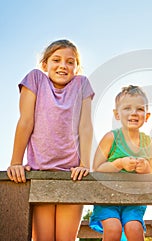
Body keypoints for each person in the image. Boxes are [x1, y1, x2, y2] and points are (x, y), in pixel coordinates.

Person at [6, 39, 94, 240]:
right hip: (40, 173)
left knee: (65, 238)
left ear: (76, 67)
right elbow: (26, 121)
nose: (63, 65)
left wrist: (84, 164)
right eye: (56, 60)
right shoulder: (35, 79)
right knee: (43, 238)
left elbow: (85, 126)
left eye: (70, 62)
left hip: (72, 175)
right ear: (45, 65)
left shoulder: (81, 84)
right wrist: (16, 162)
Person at [89, 85, 152, 241]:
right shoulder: (111, 138)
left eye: (139, 109)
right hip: (107, 198)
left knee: (134, 228)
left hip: (134, 200)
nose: (133, 113)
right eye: (127, 108)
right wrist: (119, 163)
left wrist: (145, 167)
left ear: (147, 116)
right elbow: (97, 168)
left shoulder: (150, 143)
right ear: (117, 114)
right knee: (113, 228)